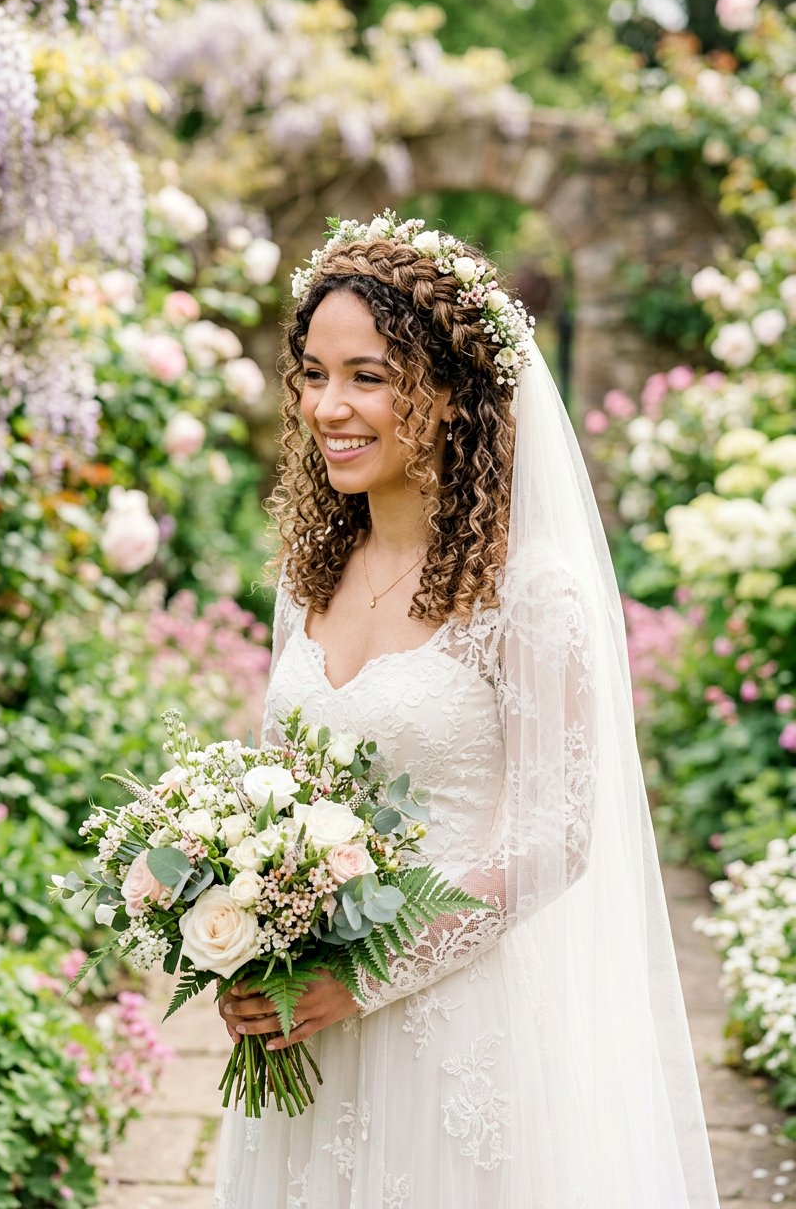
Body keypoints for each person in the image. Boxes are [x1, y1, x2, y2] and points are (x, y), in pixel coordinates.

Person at [213, 212, 721, 1208]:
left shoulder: (527, 593)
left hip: (454, 1039)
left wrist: (362, 976)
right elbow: (281, 790)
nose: (328, 406)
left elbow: (550, 839)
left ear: (447, 394)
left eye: (367, 375)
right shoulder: (312, 571)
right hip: (303, 1034)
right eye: (311, 374)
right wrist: (236, 928)